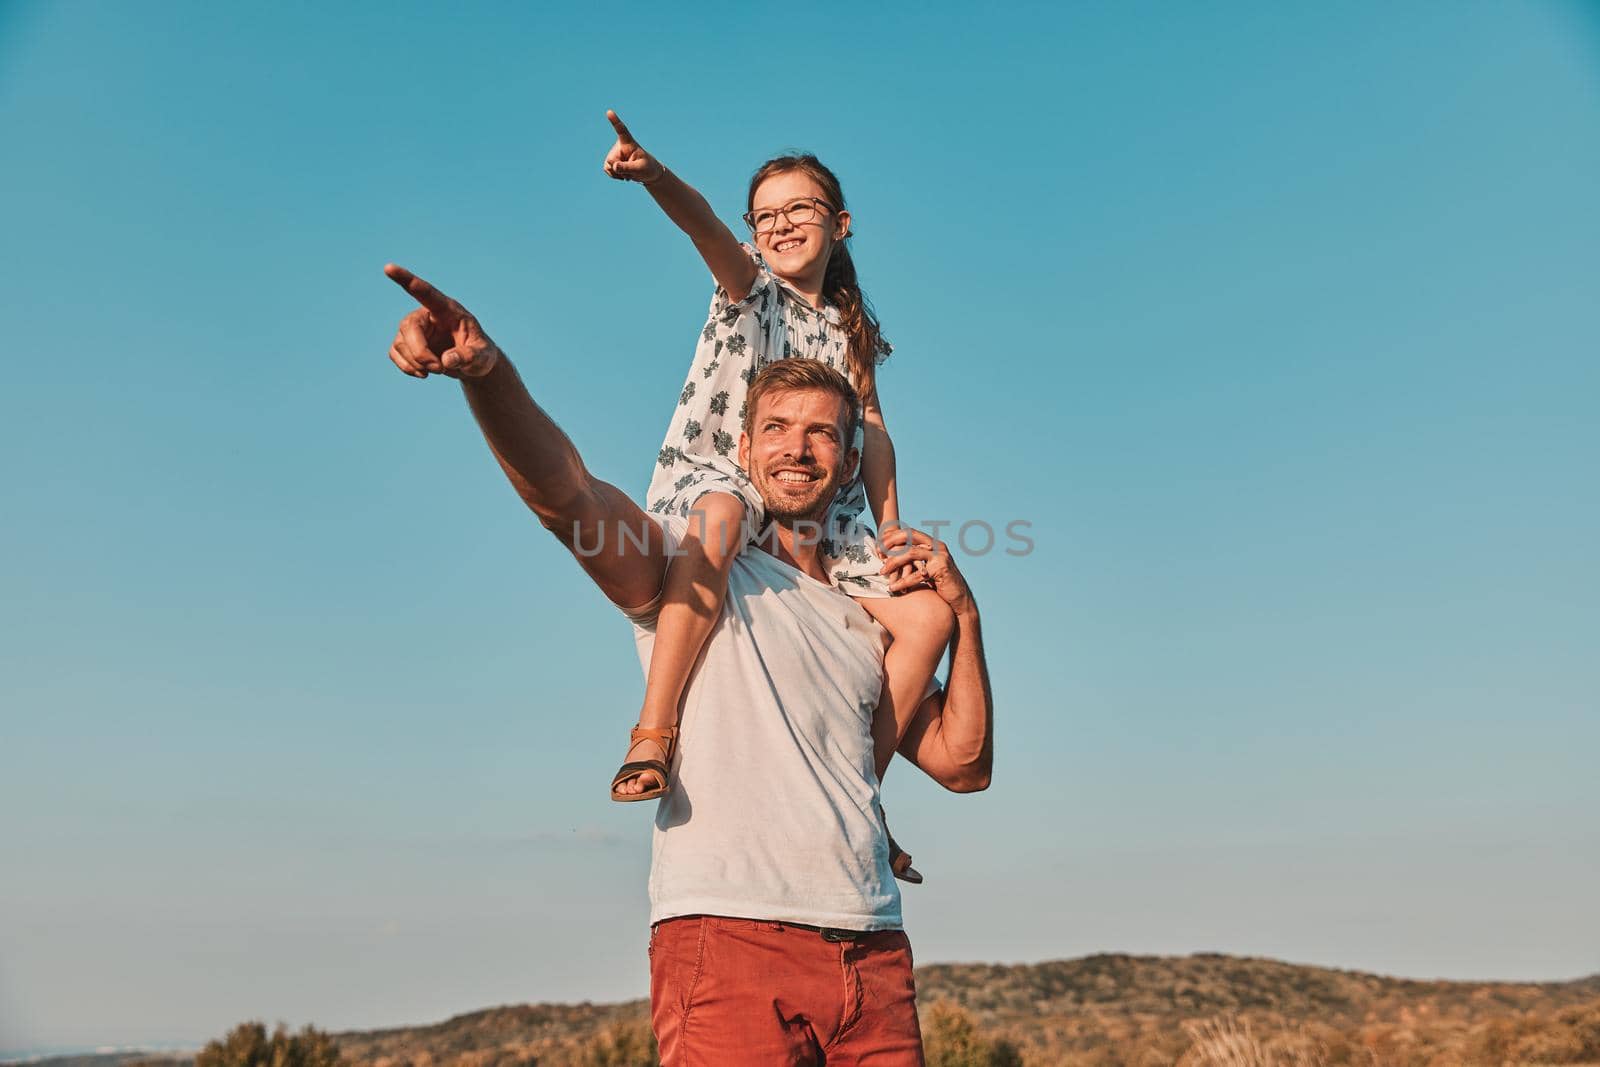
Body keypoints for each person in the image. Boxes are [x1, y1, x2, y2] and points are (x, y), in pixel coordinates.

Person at [381, 266, 995, 1064]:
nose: (797, 449)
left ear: (849, 464)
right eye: (776, 428)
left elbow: (964, 764)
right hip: (729, 934)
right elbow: (569, 497)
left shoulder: (868, 620)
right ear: (743, 448)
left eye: (821, 434)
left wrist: (967, 615)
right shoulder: (693, 574)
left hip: (874, 951)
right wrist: (491, 378)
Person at [598, 112, 956, 834]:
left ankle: (864, 789)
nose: (781, 223)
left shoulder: (851, 330)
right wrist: (655, 177)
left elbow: (874, 429)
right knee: (723, 517)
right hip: (722, 474)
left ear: (841, 223)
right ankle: (654, 728)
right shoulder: (751, 286)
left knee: (927, 616)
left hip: (823, 503)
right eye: (765, 214)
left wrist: (887, 525)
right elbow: (702, 228)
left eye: (800, 208)